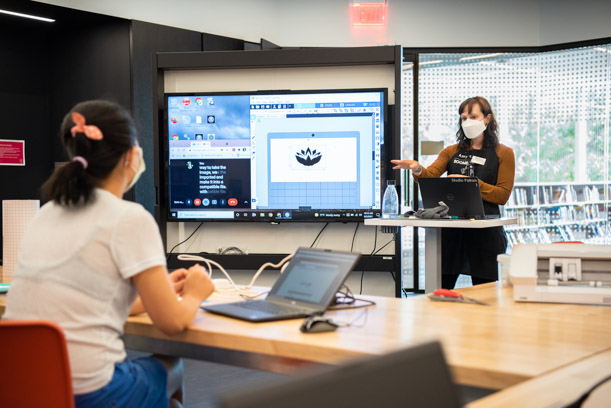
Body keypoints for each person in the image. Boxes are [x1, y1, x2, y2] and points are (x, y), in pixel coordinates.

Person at [4, 100, 215, 408]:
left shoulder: (45, 213)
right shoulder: (130, 217)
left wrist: (161, 290)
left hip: (22, 388)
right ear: (131, 156)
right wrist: (195, 293)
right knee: (172, 365)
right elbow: (172, 322)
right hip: (93, 394)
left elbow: (91, 303)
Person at [391, 96, 515, 289]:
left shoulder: (504, 153)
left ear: (487, 119)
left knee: (484, 292)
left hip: (485, 235)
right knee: (441, 291)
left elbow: (502, 195)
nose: (467, 121)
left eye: (473, 116)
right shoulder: (451, 151)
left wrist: (471, 185)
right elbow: (430, 176)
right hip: (451, 233)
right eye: (463, 117)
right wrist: (417, 169)